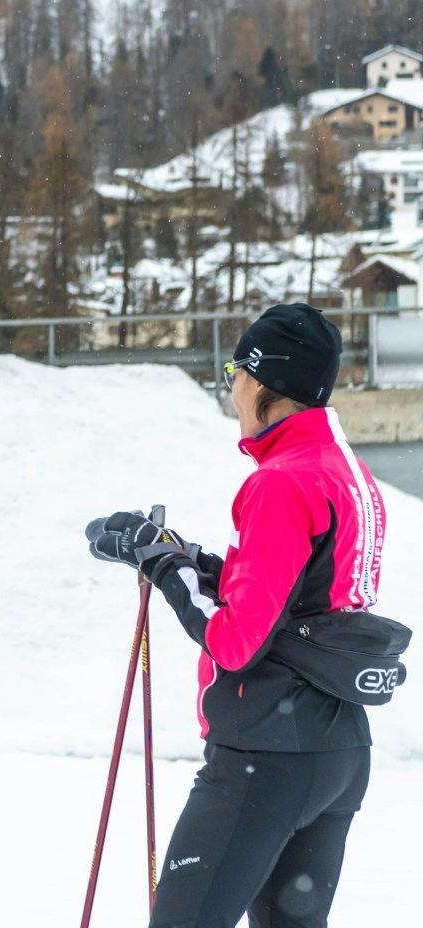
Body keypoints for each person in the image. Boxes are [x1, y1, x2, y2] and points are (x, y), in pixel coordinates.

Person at [87, 304, 395, 928]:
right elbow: (295, 597)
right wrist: (185, 556)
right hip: (337, 749)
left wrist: (162, 566)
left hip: (265, 757)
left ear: (263, 382)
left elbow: (235, 640)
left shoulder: (281, 482)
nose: (230, 389)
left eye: (235, 373)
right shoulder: (347, 473)